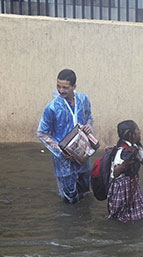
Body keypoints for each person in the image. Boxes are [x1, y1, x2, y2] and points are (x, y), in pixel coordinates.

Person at [37, 69, 95, 203]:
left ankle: (83, 222)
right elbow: (41, 133)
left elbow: (89, 118)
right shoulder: (52, 107)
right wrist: (60, 150)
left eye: (65, 87)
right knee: (69, 199)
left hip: (82, 153)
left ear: (74, 87)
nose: (61, 90)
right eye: (58, 86)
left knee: (85, 192)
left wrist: (88, 126)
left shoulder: (83, 99)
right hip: (64, 159)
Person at [107, 120, 143, 222]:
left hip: (132, 184)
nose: (139, 131)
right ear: (130, 134)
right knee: (119, 214)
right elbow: (115, 173)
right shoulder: (122, 151)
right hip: (121, 186)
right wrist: (125, 163)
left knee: (141, 210)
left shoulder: (136, 147)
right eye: (137, 129)